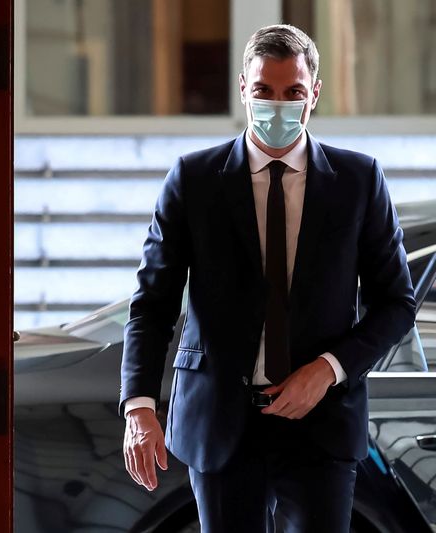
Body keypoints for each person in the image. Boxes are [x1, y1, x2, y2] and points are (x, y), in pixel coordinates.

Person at [119, 24, 416, 533]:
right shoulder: (193, 180)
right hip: (219, 420)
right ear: (243, 89)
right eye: (264, 92)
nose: (277, 106)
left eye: (293, 93)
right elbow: (153, 303)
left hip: (320, 424)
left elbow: (396, 304)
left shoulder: (359, 181)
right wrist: (139, 405)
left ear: (314, 94)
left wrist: (328, 369)